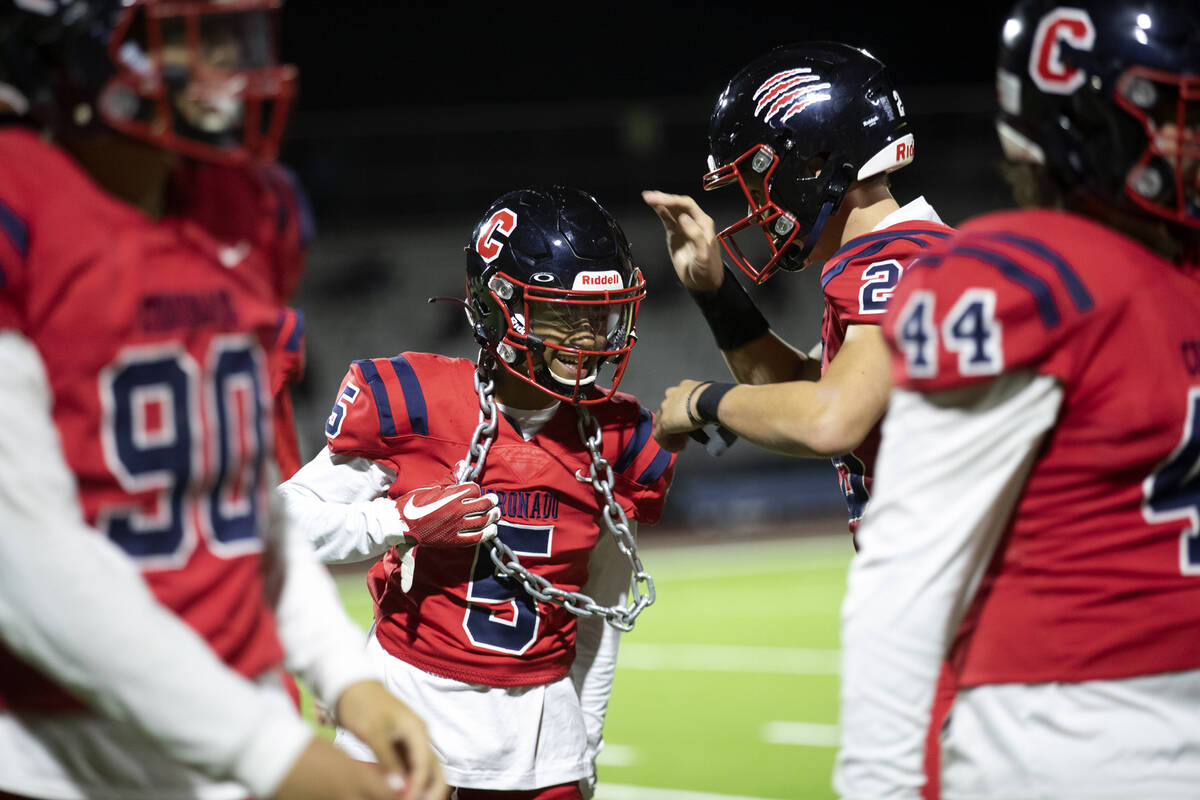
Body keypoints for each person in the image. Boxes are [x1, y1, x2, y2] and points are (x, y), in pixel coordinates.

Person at [0, 2, 445, 799]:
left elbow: (240, 505)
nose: (223, 61)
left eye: (226, 32)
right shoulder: (18, 206)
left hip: (229, 737)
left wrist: (346, 676)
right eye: (184, 34)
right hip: (64, 761)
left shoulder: (246, 209)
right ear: (77, 43)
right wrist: (272, 754)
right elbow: (21, 559)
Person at [836, 1, 1200, 797]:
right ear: (1088, 124)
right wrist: (882, 782)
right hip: (1076, 735)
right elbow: (909, 563)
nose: (1187, 142)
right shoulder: (1025, 277)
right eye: (1168, 115)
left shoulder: (1179, 278)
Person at [278, 186, 675, 799]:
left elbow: (601, 612)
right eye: (560, 314)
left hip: (546, 743)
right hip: (413, 712)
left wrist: (584, 741)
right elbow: (276, 523)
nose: (587, 339)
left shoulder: (618, 436)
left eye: (600, 316)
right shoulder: (416, 400)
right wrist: (396, 520)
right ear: (499, 309)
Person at [644, 41, 952, 536]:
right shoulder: (914, 253)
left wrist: (704, 400)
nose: (753, 208)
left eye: (756, 179)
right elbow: (802, 385)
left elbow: (831, 418)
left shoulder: (889, 262)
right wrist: (714, 289)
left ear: (813, 165)